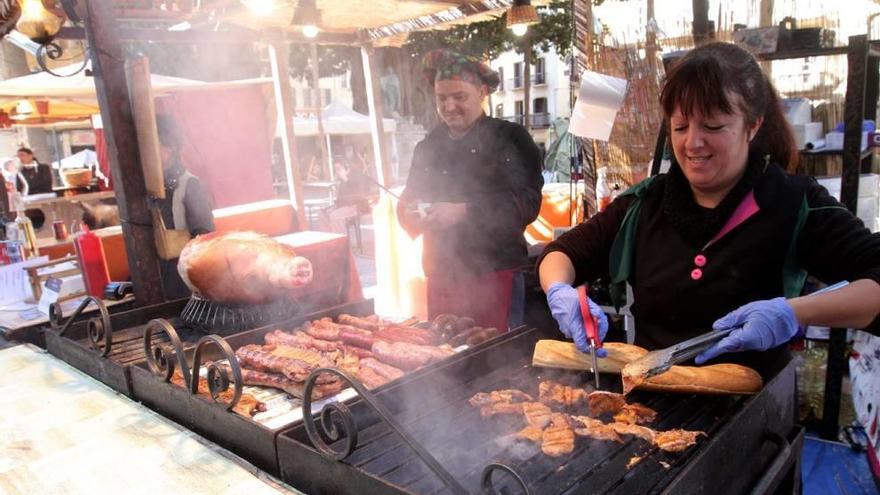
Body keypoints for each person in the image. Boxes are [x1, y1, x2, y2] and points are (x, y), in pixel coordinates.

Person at [538, 42, 880, 369]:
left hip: (752, 408)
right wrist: (558, 291)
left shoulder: (792, 201)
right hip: (653, 405)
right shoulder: (645, 203)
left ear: (753, 125)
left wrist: (795, 312)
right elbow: (563, 253)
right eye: (680, 126)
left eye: (713, 125)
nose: (693, 143)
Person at [398, 49, 544, 331]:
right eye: (442, 98)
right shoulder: (427, 146)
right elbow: (408, 198)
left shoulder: (511, 138)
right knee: (446, 356)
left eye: (459, 96)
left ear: (482, 91)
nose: (449, 106)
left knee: (495, 358)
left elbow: (528, 202)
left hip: (496, 272)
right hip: (441, 273)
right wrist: (410, 213)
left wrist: (465, 212)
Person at [155, 114, 216, 300]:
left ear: (169, 149)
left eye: (153, 146)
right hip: (161, 275)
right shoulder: (152, 186)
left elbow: (206, 236)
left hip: (183, 279)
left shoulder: (189, 184)